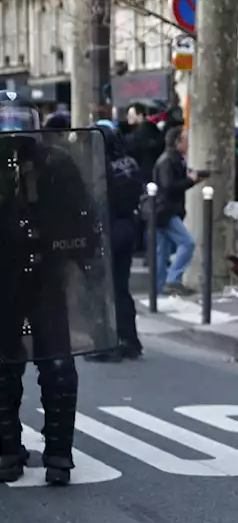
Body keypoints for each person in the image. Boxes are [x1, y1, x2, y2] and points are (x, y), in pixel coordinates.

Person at [0, 92, 109, 486]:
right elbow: (85, 220)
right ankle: (56, 455)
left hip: (20, 279)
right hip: (43, 278)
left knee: (14, 364)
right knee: (54, 362)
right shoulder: (59, 161)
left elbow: (83, 220)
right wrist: (87, 266)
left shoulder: (57, 163)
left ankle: (12, 453)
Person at [86, 119, 145, 363]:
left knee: (102, 289)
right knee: (121, 286)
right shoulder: (129, 163)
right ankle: (129, 339)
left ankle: (107, 343)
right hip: (128, 226)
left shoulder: (99, 167)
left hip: (107, 228)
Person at [152, 127, 201, 297]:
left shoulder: (174, 159)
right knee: (187, 243)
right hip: (166, 210)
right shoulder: (168, 160)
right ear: (177, 142)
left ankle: (158, 290)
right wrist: (190, 180)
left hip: (162, 210)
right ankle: (172, 280)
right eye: (185, 140)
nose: (188, 144)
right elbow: (169, 186)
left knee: (162, 251)